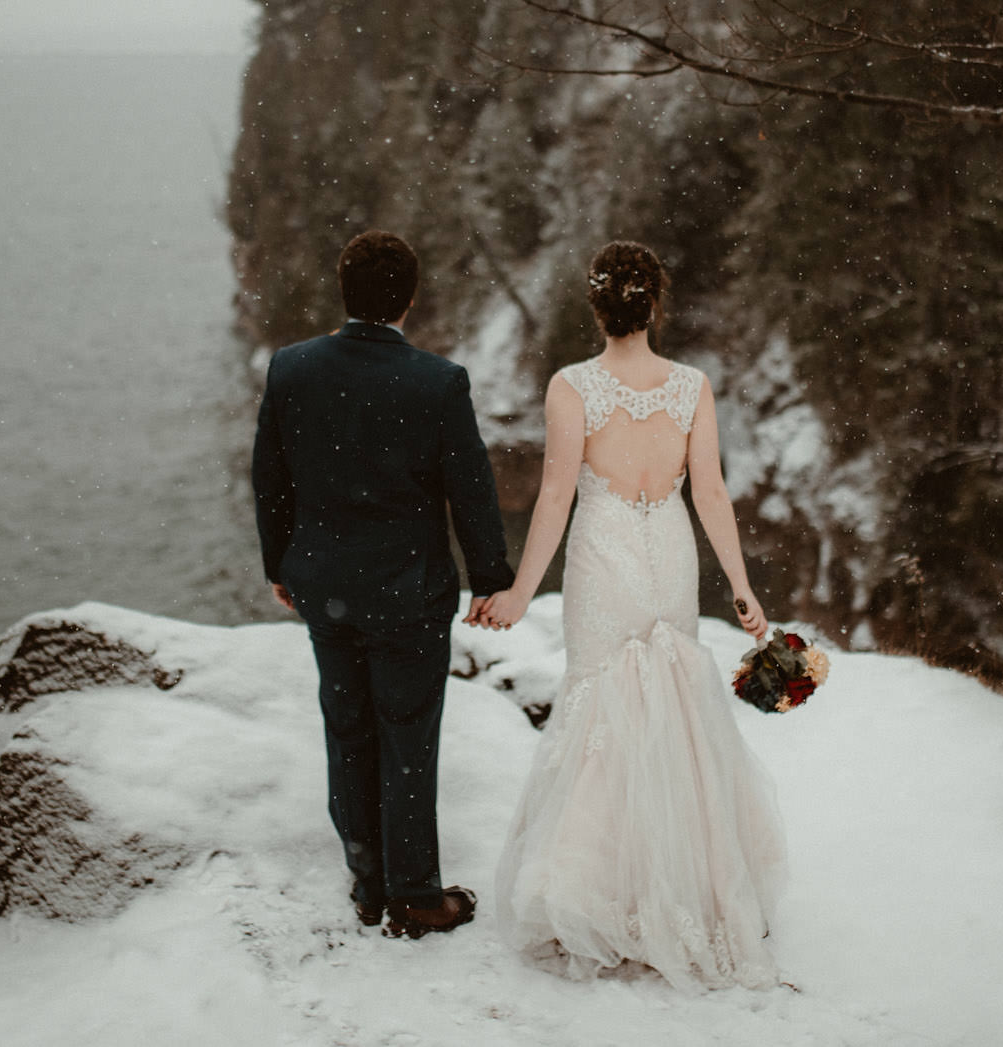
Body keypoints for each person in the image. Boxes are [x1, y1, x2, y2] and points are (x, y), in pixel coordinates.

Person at [466, 239, 787, 990]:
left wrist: (517, 592)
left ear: (598, 304)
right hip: (667, 549)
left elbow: (554, 495)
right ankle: (692, 891)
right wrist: (741, 584)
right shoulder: (690, 387)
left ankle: (602, 894)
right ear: (656, 303)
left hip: (606, 550)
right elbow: (708, 491)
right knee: (673, 702)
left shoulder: (573, 386)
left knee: (600, 703)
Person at [251, 229, 515, 938]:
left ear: (345, 291)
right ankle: (416, 894)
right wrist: (491, 577)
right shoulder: (437, 382)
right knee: (407, 735)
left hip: (325, 585)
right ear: (410, 298)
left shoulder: (291, 368)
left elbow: (270, 480)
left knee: (348, 726)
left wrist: (282, 564)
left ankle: (368, 882)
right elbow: (472, 491)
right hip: (407, 590)